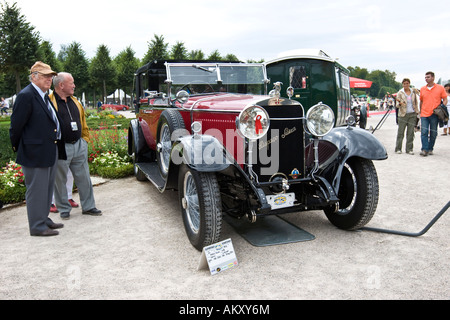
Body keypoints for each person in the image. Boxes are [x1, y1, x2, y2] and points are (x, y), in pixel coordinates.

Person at [9, 61, 66, 236]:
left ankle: (43, 218)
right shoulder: (27, 95)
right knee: (36, 190)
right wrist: (21, 147)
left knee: (47, 189)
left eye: (50, 76)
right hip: (35, 152)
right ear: (34, 77)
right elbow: (16, 126)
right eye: (45, 76)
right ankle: (37, 225)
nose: (49, 79)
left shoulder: (42, 95)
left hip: (48, 149)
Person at [49, 72, 101, 219]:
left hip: (79, 144)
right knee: (60, 180)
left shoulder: (76, 101)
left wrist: (84, 140)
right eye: (71, 82)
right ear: (61, 85)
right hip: (61, 147)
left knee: (84, 178)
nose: (74, 85)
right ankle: (64, 209)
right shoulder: (49, 102)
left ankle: (89, 206)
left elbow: (82, 121)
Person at [419, 71, 448, 156]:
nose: (426, 79)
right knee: (424, 132)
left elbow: (445, 99)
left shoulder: (440, 88)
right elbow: (421, 101)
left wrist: (442, 107)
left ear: (433, 78)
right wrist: (420, 112)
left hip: (435, 114)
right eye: (425, 77)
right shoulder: (422, 89)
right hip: (424, 113)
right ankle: (424, 149)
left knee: (433, 133)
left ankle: (430, 148)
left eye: (428, 77)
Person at [395, 78, 420, 154]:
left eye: (407, 83)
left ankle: (409, 149)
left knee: (410, 133)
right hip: (403, 114)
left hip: (412, 114)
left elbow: (418, 99)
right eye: (404, 83)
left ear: (409, 84)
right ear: (402, 84)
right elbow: (397, 105)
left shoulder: (413, 92)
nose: (406, 85)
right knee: (400, 132)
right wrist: (400, 104)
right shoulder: (400, 92)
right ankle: (398, 148)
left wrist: (417, 111)